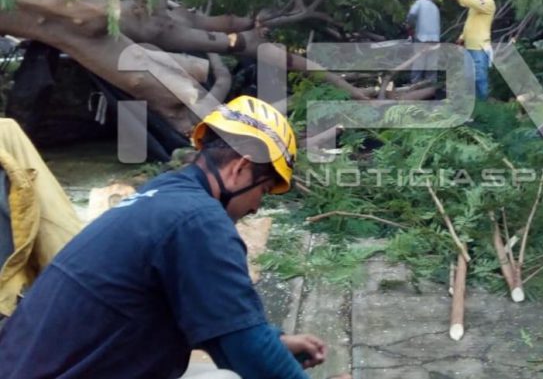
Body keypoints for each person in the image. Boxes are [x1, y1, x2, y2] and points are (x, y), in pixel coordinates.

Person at [0, 96, 351, 379]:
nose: (258, 206)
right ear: (240, 168)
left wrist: (274, 342)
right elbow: (249, 355)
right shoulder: (199, 222)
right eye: (265, 189)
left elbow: (220, 325)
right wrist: (264, 350)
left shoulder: (164, 194)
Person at [445, 0, 496, 100]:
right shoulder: (476, 6)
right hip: (469, 46)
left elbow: (476, 3)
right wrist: (462, 37)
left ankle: (483, 105)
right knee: (471, 77)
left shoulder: (488, 3)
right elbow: (470, 23)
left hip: (480, 47)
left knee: (480, 77)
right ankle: (475, 106)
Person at [406, 0, 441, 84]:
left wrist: (409, 23)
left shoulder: (419, 3)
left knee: (418, 63)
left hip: (421, 38)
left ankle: (414, 85)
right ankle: (431, 87)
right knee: (432, 66)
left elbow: (412, 14)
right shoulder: (435, 7)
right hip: (435, 39)